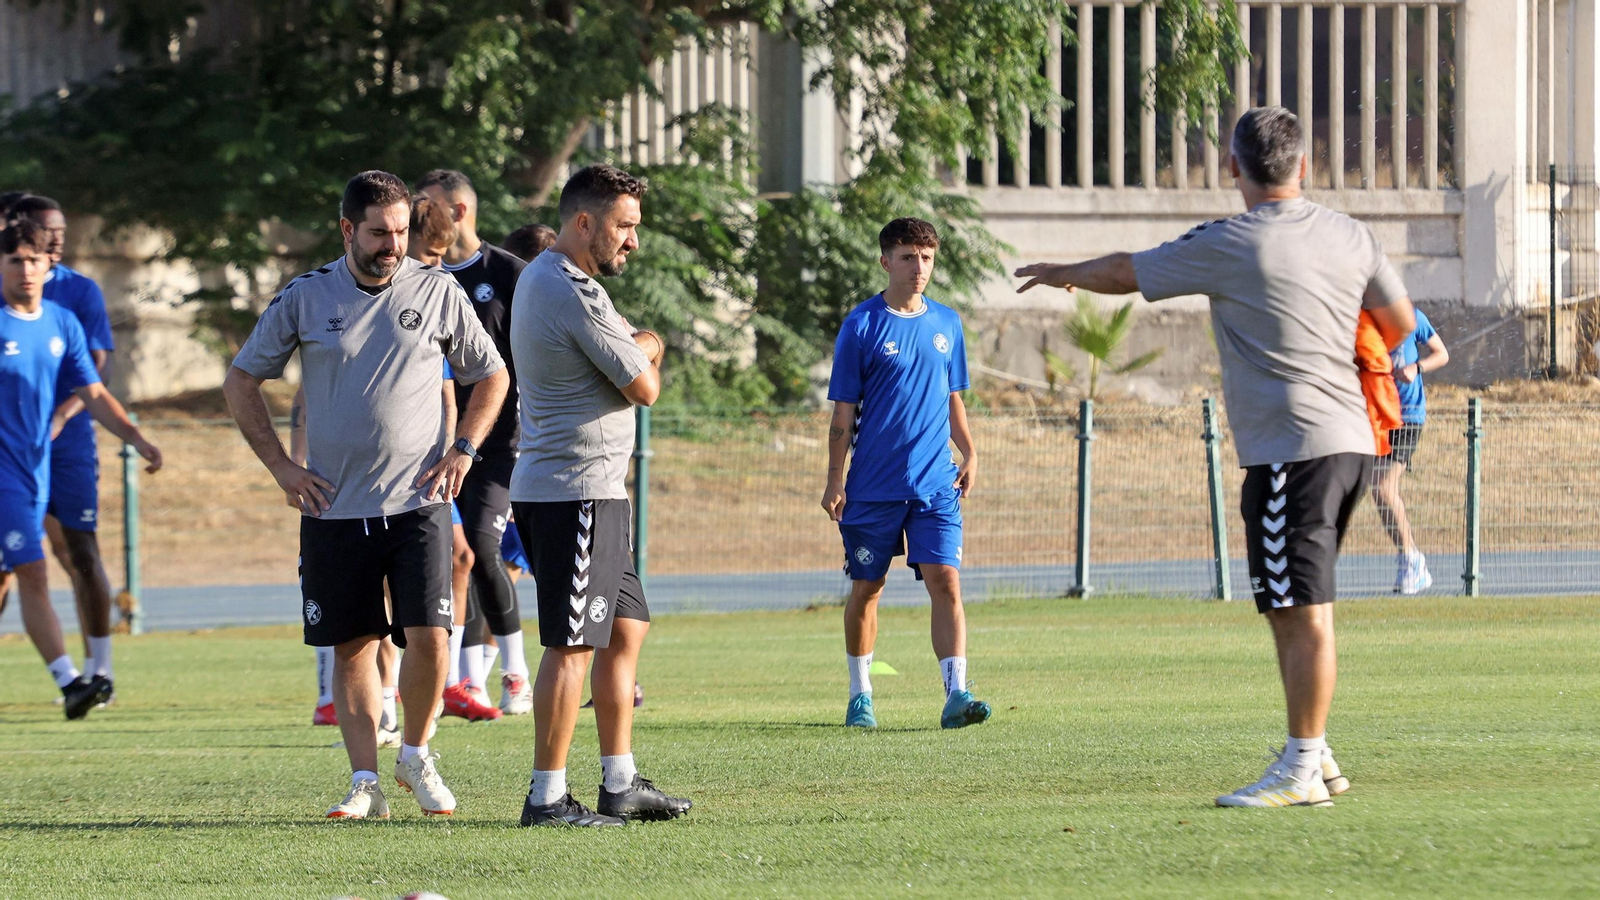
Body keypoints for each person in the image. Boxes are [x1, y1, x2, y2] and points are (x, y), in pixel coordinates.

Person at [1015, 107, 1417, 808]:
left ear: (1232, 167)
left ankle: (1299, 769)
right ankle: (1314, 755)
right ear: (1304, 166)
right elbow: (1400, 323)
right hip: (1350, 442)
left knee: (1301, 607)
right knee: (1291, 604)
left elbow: (1126, 271)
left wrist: (1060, 272)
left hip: (1293, 448)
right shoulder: (1350, 234)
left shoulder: (1233, 241)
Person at [224, 170, 509, 820]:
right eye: (379, 233)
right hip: (333, 506)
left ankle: (415, 753)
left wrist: (463, 449)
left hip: (419, 503)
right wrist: (281, 469)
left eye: (402, 232)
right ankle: (365, 782)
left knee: (433, 636)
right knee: (352, 644)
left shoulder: (437, 291)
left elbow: (490, 374)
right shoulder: (305, 296)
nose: (392, 245)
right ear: (348, 229)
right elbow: (241, 382)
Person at [510, 164, 690, 827]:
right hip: (572, 492)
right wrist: (652, 343)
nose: (633, 241)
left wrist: (639, 349)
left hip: (597, 492)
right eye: (625, 225)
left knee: (626, 629)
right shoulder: (567, 289)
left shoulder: (569, 282)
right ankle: (547, 798)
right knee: (572, 645)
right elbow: (644, 386)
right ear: (584, 222)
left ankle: (620, 782)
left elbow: (630, 367)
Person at [820, 217, 989, 732]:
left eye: (928, 258)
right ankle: (860, 695)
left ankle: (956, 693)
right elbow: (843, 415)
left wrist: (970, 451)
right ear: (886, 261)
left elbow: (952, 395)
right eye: (909, 257)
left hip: (936, 484)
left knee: (947, 582)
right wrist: (834, 478)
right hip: (872, 488)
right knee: (868, 589)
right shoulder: (862, 325)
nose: (920, 268)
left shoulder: (947, 323)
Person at [0, 216, 162, 718]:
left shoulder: (60, 322)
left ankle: (75, 680)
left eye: (34, 259)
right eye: (15, 260)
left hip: (35, 469)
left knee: (26, 572)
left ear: (49, 263)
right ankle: (71, 680)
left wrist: (134, 436)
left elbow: (92, 392)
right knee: (33, 570)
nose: (26, 269)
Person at [415, 169, 534, 716]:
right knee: (451, 559)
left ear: (458, 211)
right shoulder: (418, 277)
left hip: (499, 443)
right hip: (428, 445)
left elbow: (534, 355)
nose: (418, 215)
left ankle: (514, 673)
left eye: (428, 206)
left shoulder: (509, 274)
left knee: (483, 550)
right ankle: (458, 684)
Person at [4, 195, 121, 693]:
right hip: (12, 448)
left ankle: (100, 669)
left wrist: (62, 415)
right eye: (44, 231)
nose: (55, 239)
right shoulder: (10, 279)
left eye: (59, 232)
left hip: (68, 444)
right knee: (15, 564)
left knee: (80, 552)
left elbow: (95, 369)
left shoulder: (79, 292)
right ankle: (67, 675)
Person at [1372, 310, 1448, 595]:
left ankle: (1411, 560)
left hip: (1408, 415)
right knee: (1372, 488)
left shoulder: (1411, 316)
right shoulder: (1360, 320)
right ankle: (1412, 558)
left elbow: (1442, 354)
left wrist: (1417, 368)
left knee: (1382, 485)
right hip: (1377, 414)